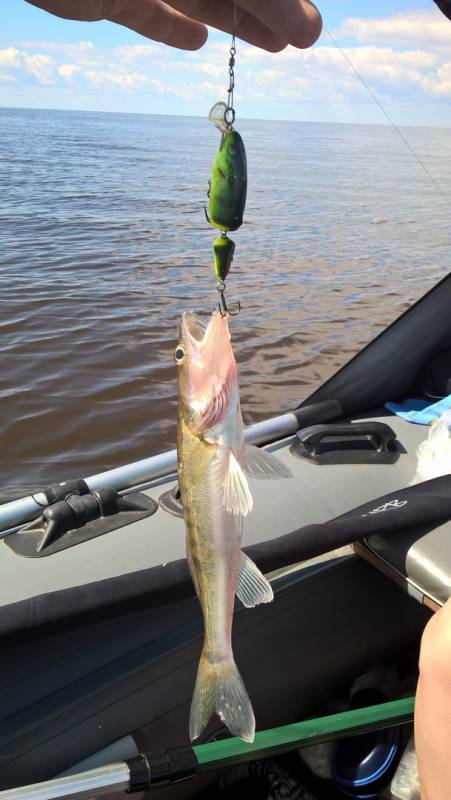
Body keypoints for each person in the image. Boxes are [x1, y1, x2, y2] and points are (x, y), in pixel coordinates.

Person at [20, 2, 451, 798]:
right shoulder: (210, 425)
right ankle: (216, 658)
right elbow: (225, 445)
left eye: (186, 352)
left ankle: (219, 660)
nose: (195, 348)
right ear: (198, 396)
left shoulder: (208, 422)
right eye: (186, 355)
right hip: (218, 491)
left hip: (216, 474)